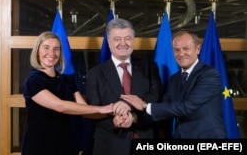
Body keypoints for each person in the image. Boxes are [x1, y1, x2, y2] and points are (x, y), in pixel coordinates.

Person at [123, 29, 227, 138]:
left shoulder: (209, 74)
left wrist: (144, 105)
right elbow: (163, 107)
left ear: (198, 49)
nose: (181, 54)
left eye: (186, 49)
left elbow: (187, 107)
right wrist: (132, 117)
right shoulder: (175, 79)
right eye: (176, 50)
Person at [21, 31, 113, 155]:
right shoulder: (33, 81)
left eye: (56, 49)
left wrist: (112, 112)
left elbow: (85, 110)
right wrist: (103, 109)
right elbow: (60, 106)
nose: (51, 53)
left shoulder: (67, 80)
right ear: (37, 51)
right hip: (40, 146)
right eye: (46, 48)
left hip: (66, 145)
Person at [86, 18, 163, 155]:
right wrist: (115, 122)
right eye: (117, 39)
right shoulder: (95, 73)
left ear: (133, 41)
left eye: (127, 38)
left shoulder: (149, 67)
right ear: (109, 43)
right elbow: (94, 111)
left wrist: (129, 106)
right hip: (109, 145)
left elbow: (155, 98)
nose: (123, 43)